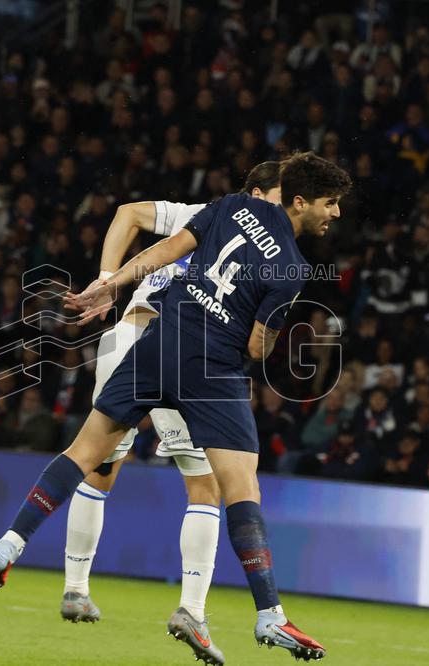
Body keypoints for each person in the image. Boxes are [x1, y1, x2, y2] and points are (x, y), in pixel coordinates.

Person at [0, 152, 350, 661]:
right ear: (300, 200)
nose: (336, 214)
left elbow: (163, 249)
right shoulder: (292, 266)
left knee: (87, 454)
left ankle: (10, 546)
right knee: (233, 486)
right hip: (210, 368)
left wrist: (107, 285)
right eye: (331, 204)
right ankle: (265, 615)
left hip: (154, 341)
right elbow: (257, 348)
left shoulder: (229, 206)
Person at [57, 162, 282, 664]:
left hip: (127, 339)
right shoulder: (238, 227)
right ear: (257, 192)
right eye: (280, 199)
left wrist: (108, 282)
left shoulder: (207, 216)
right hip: (180, 351)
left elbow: (129, 214)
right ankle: (191, 610)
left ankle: (75, 588)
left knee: (99, 467)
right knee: (205, 487)